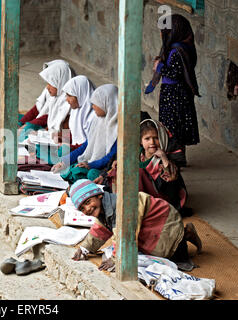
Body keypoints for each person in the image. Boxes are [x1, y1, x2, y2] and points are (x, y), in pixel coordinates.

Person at [69, 180, 202, 272]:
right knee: (140, 255)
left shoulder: (122, 205)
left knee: (166, 257)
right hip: (149, 229)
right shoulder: (104, 209)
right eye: (82, 208)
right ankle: (183, 236)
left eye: (88, 202)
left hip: (165, 226)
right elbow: (99, 229)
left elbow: (125, 234)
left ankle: (183, 236)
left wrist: (116, 259)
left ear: (99, 195)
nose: (87, 209)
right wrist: (85, 248)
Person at [100, 118, 190, 216]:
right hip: (138, 195)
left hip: (158, 198)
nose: (152, 142)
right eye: (147, 139)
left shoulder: (166, 160)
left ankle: (137, 209)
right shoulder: (136, 154)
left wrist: (164, 159)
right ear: (140, 141)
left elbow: (170, 190)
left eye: (156, 138)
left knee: (139, 172)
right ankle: (124, 205)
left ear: (162, 138)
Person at [145, 14, 200, 166]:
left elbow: (175, 73)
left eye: (165, 31)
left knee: (173, 126)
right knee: (176, 125)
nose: (163, 35)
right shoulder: (183, 47)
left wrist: (159, 66)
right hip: (176, 92)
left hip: (175, 93)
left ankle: (176, 159)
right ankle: (177, 157)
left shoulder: (178, 51)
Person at [0, 59, 75, 142]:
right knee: (7, 118)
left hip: (48, 128)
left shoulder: (68, 100)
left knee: (27, 130)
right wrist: (21, 123)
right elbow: (37, 109)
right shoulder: (51, 91)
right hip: (40, 120)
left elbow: (48, 119)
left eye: (51, 83)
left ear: (60, 82)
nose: (47, 87)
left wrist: (27, 125)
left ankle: (11, 142)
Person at [52, 84, 118, 184]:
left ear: (107, 103)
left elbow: (110, 157)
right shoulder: (97, 120)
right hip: (88, 160)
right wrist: (65, 161)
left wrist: (90, 164)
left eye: (96, 104)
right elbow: (87, 145)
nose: (93, 107)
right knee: (64, 161)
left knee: (87, 173)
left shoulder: (117, 127)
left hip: (103, 168)